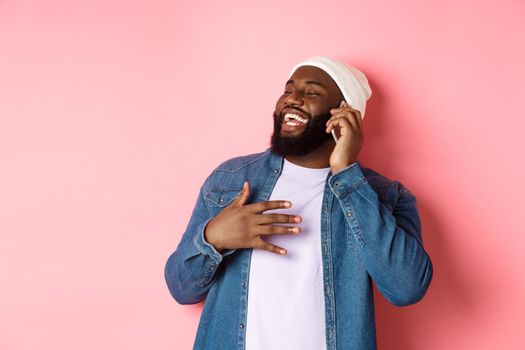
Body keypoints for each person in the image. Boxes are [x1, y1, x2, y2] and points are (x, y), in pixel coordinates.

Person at [164, 56, 433, 350]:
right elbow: (181, 289)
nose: (292, 98)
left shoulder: (385, 196)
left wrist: (346, 172)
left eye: (312, 92)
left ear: (344, 113)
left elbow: (406, 288)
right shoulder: (230, 180)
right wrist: (213, 237)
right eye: (288, 89)